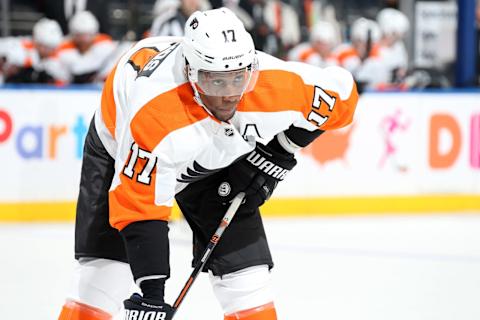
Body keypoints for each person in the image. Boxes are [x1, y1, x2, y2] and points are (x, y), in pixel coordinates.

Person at [57, 7, 358, 320]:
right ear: (191, 72)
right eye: (216, 82)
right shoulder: (155, 114)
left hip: (217, 158)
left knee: (248, 281)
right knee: (104, 278)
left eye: (238, 79)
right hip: (118, 145)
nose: (229, 95)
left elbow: (344, 96)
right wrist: (152, 294)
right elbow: (139, 205)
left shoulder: (275, 84)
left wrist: (279, 151)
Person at [56, 10, 117, 83]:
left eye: (88, 35)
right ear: (73, 35)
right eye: (79, 35)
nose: (84, 40)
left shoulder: (106, 46)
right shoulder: (62, 49)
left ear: (95, 34)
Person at [2, 18, 67, 84]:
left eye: (53, 48)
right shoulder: (19, 48)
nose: (50, 51)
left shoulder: (59, 57)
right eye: (47, 47)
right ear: (37, 42)